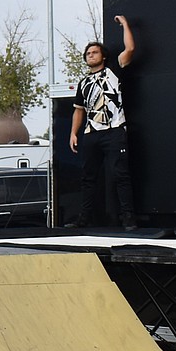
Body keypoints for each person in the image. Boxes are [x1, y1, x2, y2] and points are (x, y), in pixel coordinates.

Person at [69, 15, 137, 230]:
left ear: (103, 56)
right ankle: (84, 218)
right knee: (88, 177)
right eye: (88, 53)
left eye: (94, 52)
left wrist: (125, 25)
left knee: (120, 174)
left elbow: (130, 49)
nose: (90, 55)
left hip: (114, 130)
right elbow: (79, 110)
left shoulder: (113, 70)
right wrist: (73, 133)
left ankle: (128, 218)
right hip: (91, 133)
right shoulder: (83, 82)